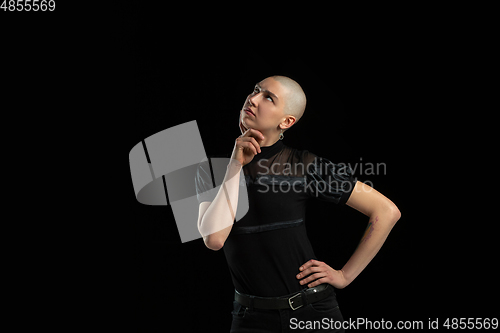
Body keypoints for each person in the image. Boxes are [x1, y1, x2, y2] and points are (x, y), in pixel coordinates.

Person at [195, 76, 401, 332]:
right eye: (256, 90)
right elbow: (214, 239)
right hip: (249, 319)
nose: (253, 99)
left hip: (312, 313)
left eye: (268, 97)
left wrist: (345, 276)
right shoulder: (209, 171)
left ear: (287, 121)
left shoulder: (303, 165)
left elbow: (387, 211)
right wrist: (235, 165)